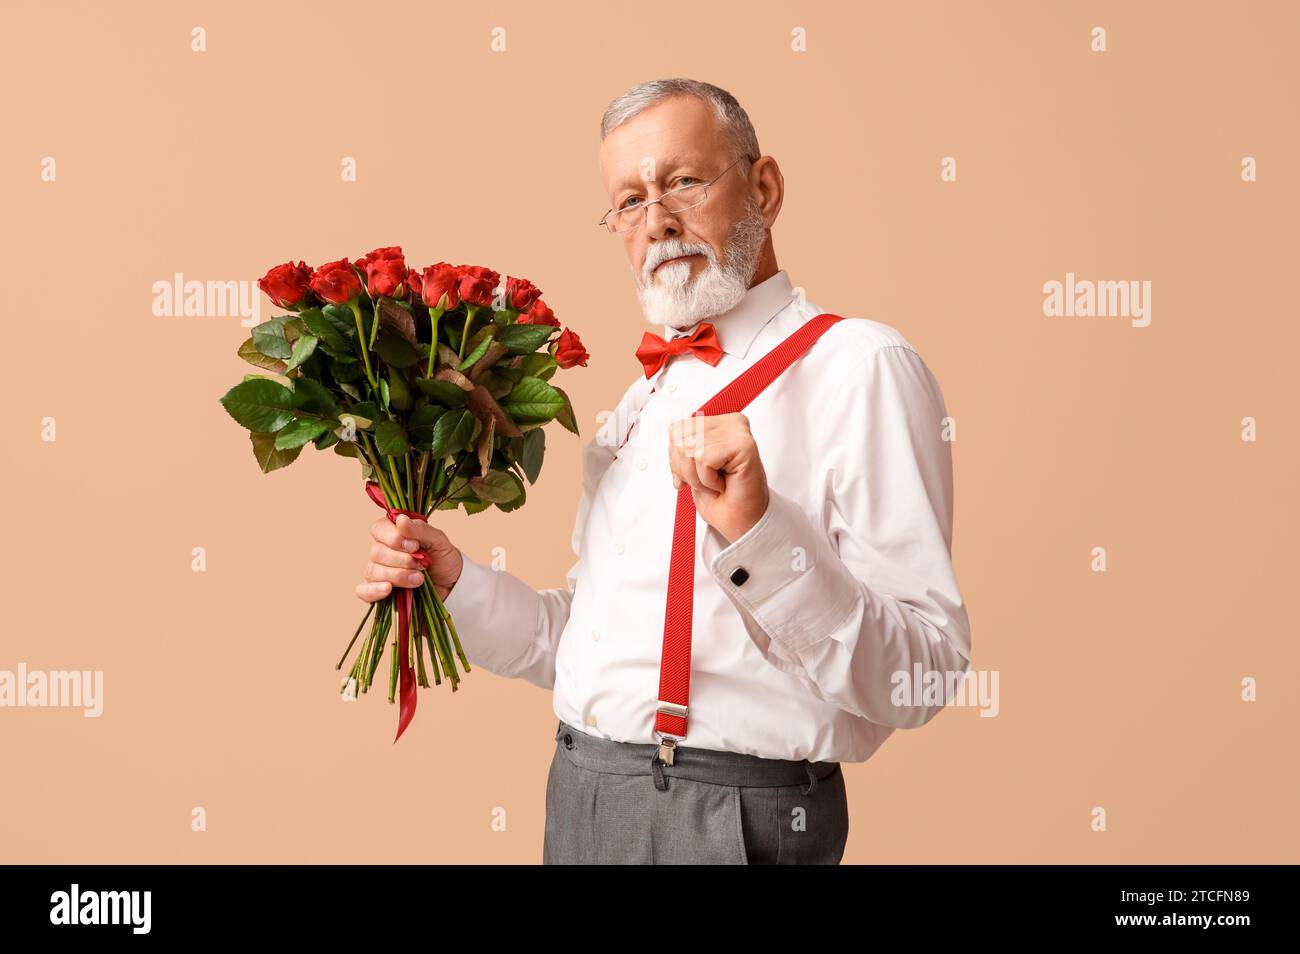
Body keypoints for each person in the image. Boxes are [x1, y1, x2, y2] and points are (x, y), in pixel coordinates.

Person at [355, 78, 972, 864]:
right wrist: (455, 585)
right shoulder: (642, 398)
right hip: (580, 794)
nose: (659, 222)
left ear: (765, 187)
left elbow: (924, 672)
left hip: (728, 818)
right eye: (629, 200)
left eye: (683, 181)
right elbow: (587, 644)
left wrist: (758, 532)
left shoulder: (863, 367)